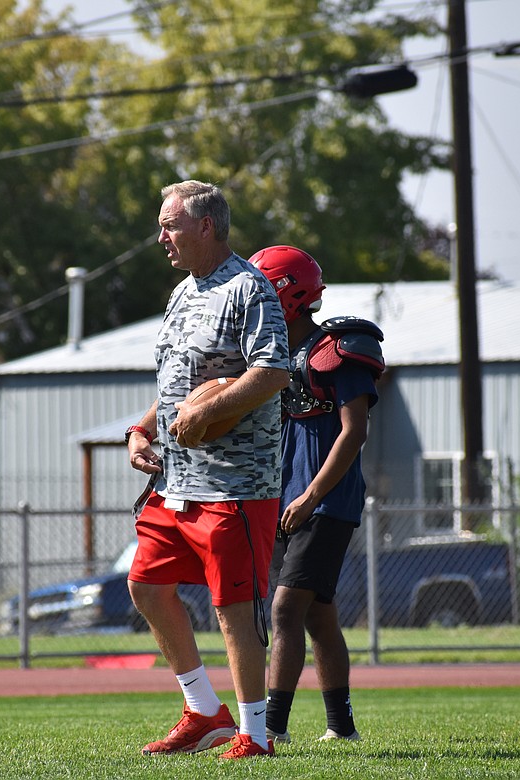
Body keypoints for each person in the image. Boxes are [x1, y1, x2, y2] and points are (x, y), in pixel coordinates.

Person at [125, 180, 290, 760]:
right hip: (176, 482)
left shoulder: (249, 288)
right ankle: (204, 711)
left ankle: (255, 734)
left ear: (207, 227)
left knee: (232, 607)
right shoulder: (181, 292)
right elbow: (176, 388)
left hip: (235, 485)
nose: (161, 236)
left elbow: (272, 372)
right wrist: (142, 429)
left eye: (170, 224)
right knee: (146, 584)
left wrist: (209, 411)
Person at [249, 245, 383, 744]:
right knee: (317, 615)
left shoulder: (339, 349)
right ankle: (342, 728)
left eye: (263, 289)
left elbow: (354, 432)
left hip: (326, 500)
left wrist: (309, 496)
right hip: (285, 499)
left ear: (288, 292)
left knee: (285, 610)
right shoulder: (271, 353)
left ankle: (273, 730)